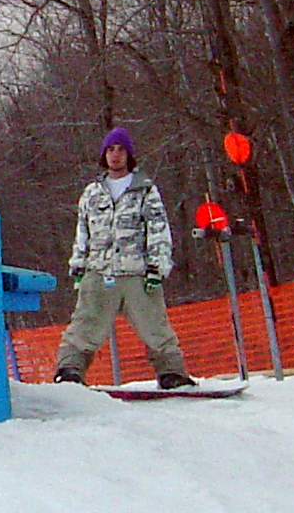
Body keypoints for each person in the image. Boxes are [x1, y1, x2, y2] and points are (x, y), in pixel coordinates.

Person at [52, 127, 199, 389]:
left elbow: (158, 230)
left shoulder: (145, 190)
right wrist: (78, 266)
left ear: (129, 155)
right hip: (99, 272)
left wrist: (157, 267)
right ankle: (70, 370)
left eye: (121, 150)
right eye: (111, 149)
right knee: (84, 326)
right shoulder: (92, 193)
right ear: (104, 155)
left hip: (137, 274)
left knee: (155, 327)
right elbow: (83, 232)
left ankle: (171, 373)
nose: (116, 155)